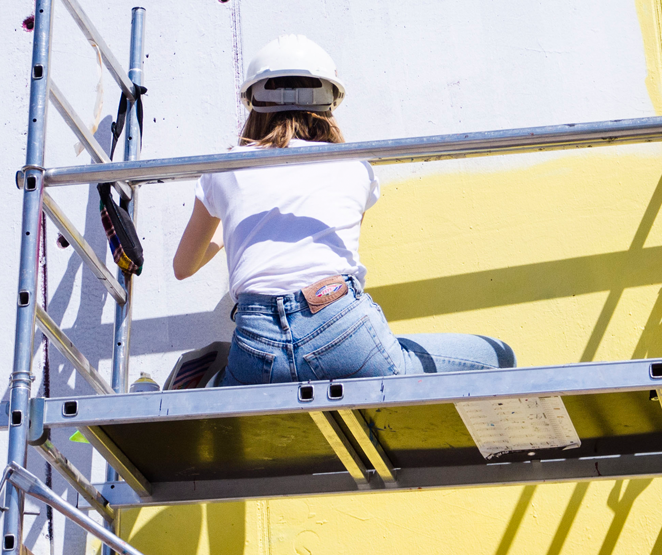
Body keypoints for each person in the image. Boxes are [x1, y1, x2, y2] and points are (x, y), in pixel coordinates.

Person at [173, 34, 516, 386]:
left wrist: (231, 233)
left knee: (206, 394)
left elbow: (182, 267)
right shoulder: (354, 166)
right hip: (339, 324)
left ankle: (195, 386)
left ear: (254, 102)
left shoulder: (223, 166)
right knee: (497, 356)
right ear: (328, 103)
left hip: (257, 344)